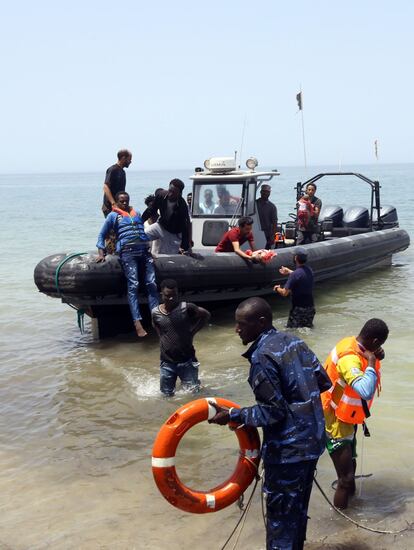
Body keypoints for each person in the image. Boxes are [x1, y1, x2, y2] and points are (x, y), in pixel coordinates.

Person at [208, 297, 331, 550]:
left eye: (241, 324)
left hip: (288, 455)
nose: (237, 329)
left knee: (281, 522)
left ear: (261, 322)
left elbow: (273, 413)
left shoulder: (262, 358)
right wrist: (299, 401)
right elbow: (323, 382)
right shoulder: (296, 341)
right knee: (297, 513)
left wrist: (233, 415)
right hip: (313, 444)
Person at [321, 318, 389, 509]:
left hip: (347, 417)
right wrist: (372, 361)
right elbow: (365, 390)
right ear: (374, 341)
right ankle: (343, 523)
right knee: (346, 479)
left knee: (351, 465)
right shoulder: (348, 356)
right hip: (335, 420)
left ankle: (351, 505)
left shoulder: (356, 344)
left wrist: (374, 356)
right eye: (380, 344)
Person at [96, 191, 159, 338]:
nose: (124, 204)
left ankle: (156, 318)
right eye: (121, 201)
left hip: (144, 251)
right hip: (128, 252)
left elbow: (142, 231)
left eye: (126, 201)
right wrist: (101, 252)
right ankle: (137, 323)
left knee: (151, 283)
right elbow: (101, 234)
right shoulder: (113, 216)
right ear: (117, 202)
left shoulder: (135, 212)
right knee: (134, 285)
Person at [152, 279, 211, 396]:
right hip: (167, 362)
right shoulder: (155, 312)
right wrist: (163, 339)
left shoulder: (187, 308)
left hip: (187, 361)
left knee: (193, 394)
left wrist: (193, 331)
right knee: (166, 395)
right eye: (168, 296)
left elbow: (206, 315)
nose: (171, 299)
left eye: (174, 295)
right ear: (161, 295)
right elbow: (156, 326)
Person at [142, 179, 192, 255]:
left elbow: (185, 225)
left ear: (180, 193)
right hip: (160, 226)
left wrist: (186, 245)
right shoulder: (161, 195)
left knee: (169, 257)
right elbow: (151, 210)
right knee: (140, 236)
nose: (170, 194)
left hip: (173, 233)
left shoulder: (182, 205)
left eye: (174, 192)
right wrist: (139, 222)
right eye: (170, 190)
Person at [274, 247, 315, 328]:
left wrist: (277, 288)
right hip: (310, 309)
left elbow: (284, 293)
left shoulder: (295, 275)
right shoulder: (309, 270)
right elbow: (301, 275)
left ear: (295, 258)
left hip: (298, 310)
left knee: (293, 331)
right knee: (307, 328)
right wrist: (289, 271)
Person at [101, 149, 132, 217]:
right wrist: (113, 203)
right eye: (129, 159)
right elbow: (106, 187)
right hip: (110, 207)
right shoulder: (113, 170)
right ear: (123, 158)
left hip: (119, 206)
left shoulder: (123, 172)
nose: (130, 162)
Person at [256, 184, 278, 249]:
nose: (265, 193)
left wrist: (273, 236)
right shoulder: (255, 204)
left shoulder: (272, 207)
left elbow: (274, 222)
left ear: (269, 193)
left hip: (267, 234)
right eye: (264, 191)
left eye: (267, 192)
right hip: (256, 232)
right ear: (260, 192)